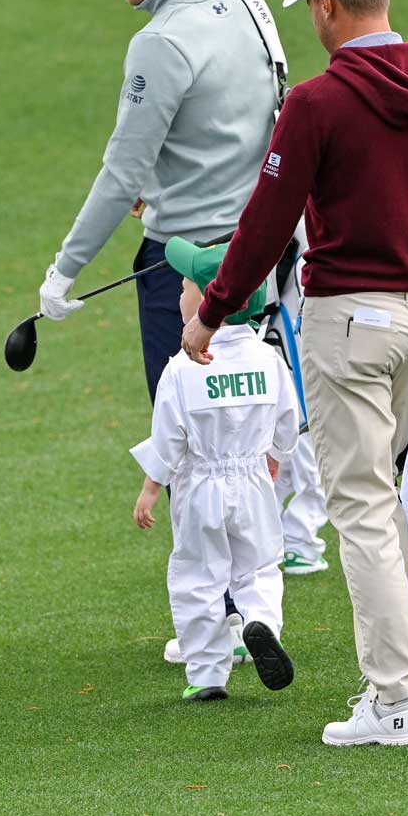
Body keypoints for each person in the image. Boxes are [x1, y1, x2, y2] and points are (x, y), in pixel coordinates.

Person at [183, 0, 408, 747]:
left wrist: (213, 309)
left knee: (362, 507)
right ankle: (391, 690)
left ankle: (395, 700)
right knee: (380, 500)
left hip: (348, 323)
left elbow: (265, 225)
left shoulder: (317, 104)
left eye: (316, 11)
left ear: (329, 5)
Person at [38, 0, 281, 404]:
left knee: (189, 447)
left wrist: (65, 270)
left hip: (185, 270)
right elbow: (249, 116)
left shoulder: (158, 41)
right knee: (260, 438)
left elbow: (121, 173)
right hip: (265, 256)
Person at [131, 238, 299, 701]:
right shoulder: (269, 359)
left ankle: (206, 672)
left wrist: (150, 489)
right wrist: (275, 457)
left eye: (185, 286)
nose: (180, 295)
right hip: (253, 482)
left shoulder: (182, 368)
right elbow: (288, 423)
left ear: (208, 300)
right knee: (259, 566)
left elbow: (169, 438)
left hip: (199, 485)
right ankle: (261, 620)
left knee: (198, 576)